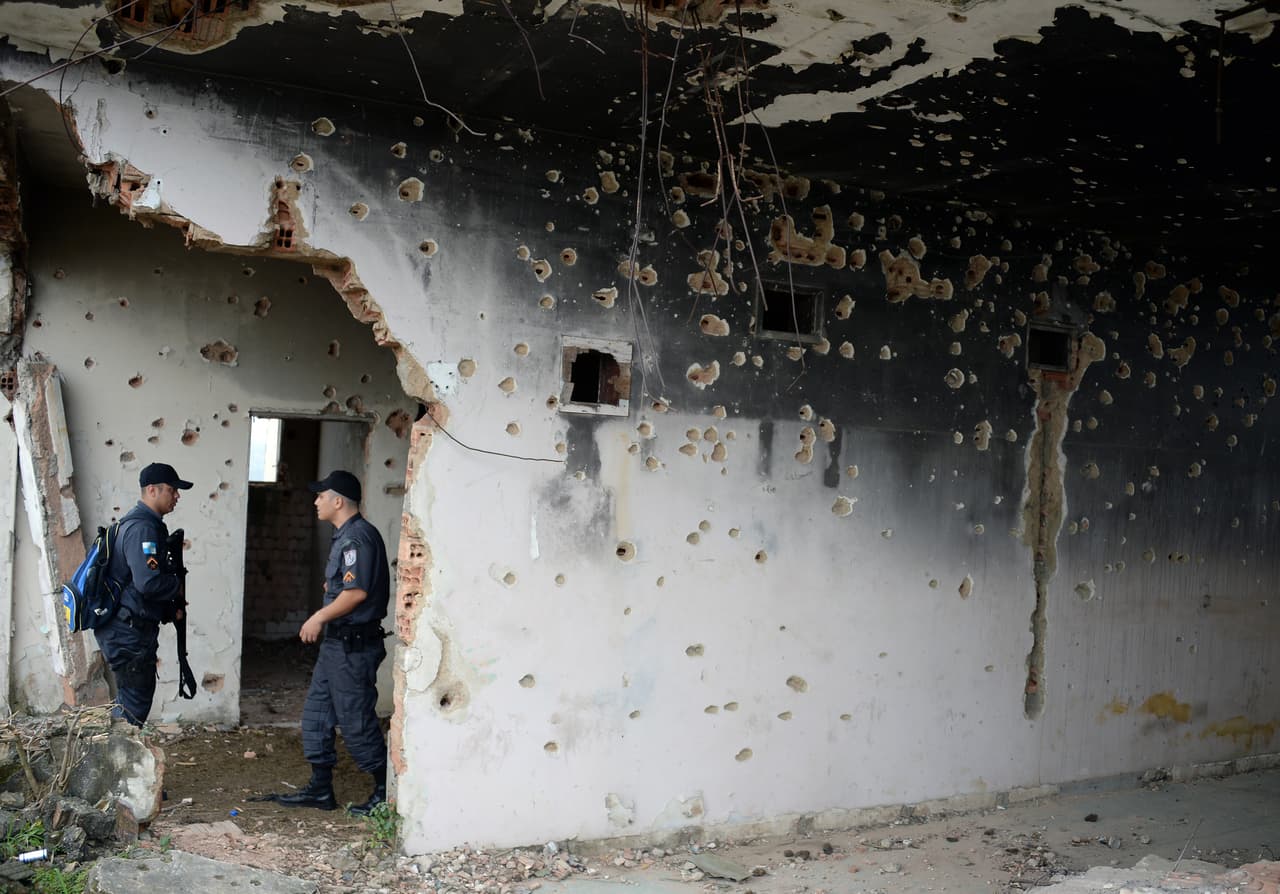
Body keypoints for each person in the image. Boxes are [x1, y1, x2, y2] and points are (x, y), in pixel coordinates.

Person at [277, 470, 391, 816]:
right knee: (316, 715)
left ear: (338, 501)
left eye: (321, 496)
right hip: (337, 646)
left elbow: (356, 593)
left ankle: (386, 791)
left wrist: (318, 617)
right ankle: (320, 789)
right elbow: (346, 586)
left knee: (355, 720)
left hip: (353, 647)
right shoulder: (345, 536)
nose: (316, 501)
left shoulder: (358, 538)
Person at [96, 462, 192, 726]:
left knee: (131, 702)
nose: (177, 496)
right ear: (152, 490)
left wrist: (168, 610)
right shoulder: (143, 529)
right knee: (133, 706)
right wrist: (176, 585)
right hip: (128, 634)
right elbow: (147, 584)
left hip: (127, 629)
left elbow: (136, 584)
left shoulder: (140, 525)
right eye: (172, 490)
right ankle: (114, 763)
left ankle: (114, 758)